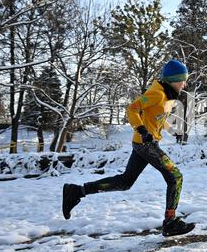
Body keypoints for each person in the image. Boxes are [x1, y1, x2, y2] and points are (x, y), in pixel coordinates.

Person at [62, 59, 195, 237]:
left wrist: (172, 131)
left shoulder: (167, 96)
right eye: (182, 80)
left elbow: (157, 119)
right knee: (175, 176)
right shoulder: (157, 94)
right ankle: (170, 222)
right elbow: (132, 108)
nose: (184, 84)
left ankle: (77, 191)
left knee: (125, 182)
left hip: (146, 143)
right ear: (172, 80)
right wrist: (141, 129)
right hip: (145, 144)